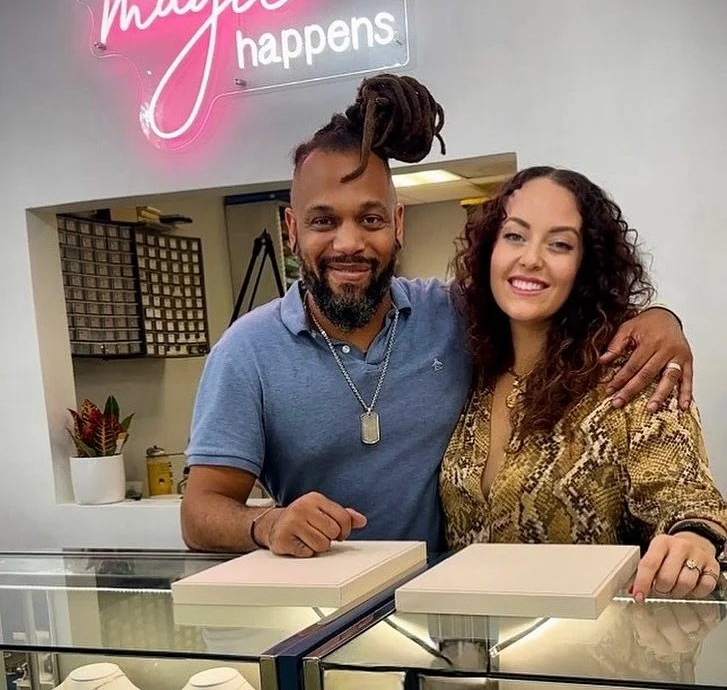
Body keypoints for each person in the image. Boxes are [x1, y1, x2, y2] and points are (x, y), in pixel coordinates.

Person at [181, 74, 692, 557]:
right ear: (292, 230)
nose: (349, 242)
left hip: (438, 609)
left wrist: (661, 319)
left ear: (398, 223)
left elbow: (547, 297)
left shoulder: (452, 313)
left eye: (371, 218)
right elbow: (200, 511)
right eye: (323, 221)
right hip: (320, 610)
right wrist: (267, 524)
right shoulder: (246, 352)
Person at [440, 166, 726, 600]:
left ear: (586, 266)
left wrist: (693, 538)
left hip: (599, 639)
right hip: (469, 636)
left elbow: (687, 499)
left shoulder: (633, 376)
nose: (531, 258)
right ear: (489, 251)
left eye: (559, 244)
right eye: (515, 236)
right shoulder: (469, 369)